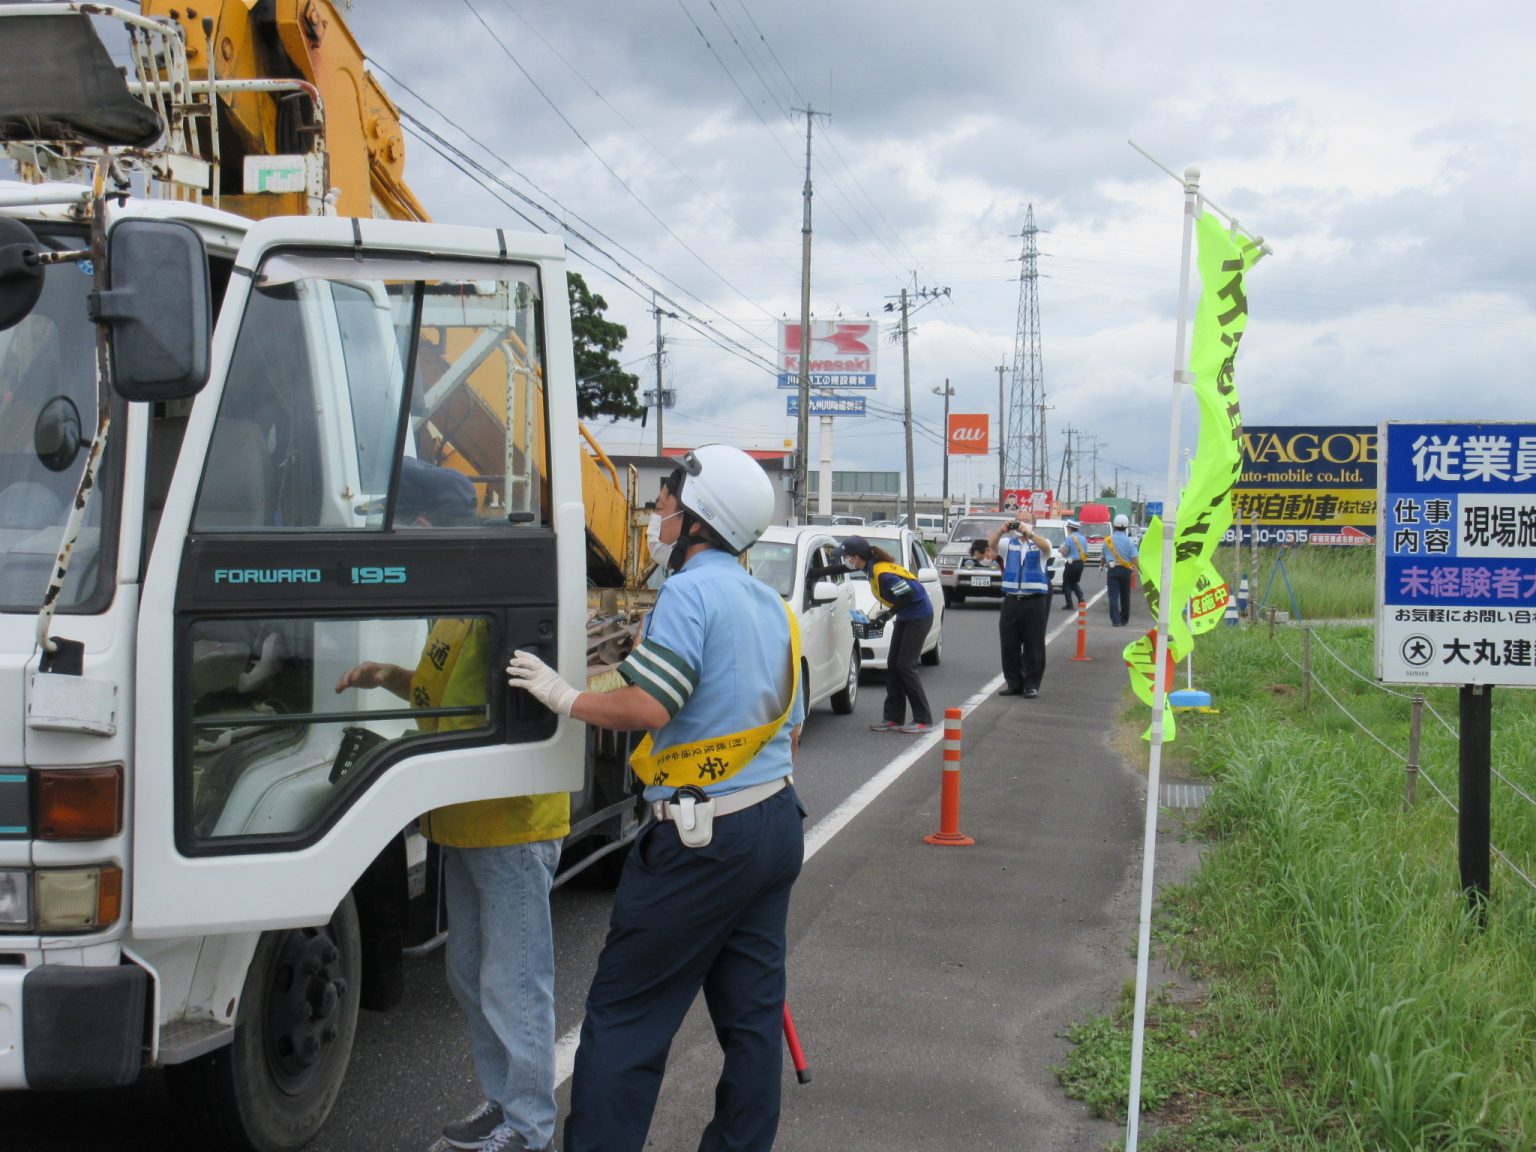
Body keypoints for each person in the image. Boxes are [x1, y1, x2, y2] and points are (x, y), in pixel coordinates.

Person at [505, 444, 805, 1152]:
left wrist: (564, 695)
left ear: (701, 519)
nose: (660, 508)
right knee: (752, 1022)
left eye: (670, 497)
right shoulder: (770, 603)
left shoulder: (688, 593)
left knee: (627, 1020)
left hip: (701, 842)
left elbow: (648, 706)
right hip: (773, 823)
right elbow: (784, 725)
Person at [337, 457, 569, 1152]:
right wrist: (388, 676)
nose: (400, 534)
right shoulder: (454, 600)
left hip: (509, 821)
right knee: (469, 972)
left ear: (428, 524)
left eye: (403, 521)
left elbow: (526, 698)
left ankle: (528, 1128)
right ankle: (502, 1105)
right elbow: (448, 695)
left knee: (514, 980)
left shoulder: (498, 599)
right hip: (462, 818)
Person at [834, 534, 935, 734]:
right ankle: (893, 718)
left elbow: (908, 596)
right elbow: (838, 569)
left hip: (919, 615)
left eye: (846, 556)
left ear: (856, 557)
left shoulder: (882, 573)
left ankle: (924, 719)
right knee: (893, 665)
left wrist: (885, 616)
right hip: (907, 615)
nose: (845, 560)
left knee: (906, 666)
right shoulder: (870, 567)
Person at [990, 513, 1054, 698]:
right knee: (1009, 644)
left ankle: (1032, 684)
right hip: (1011, 600)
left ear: (1034, 524)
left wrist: (1029, 533)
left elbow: (1047, 548)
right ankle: (1014, 683)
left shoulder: (1040, 543)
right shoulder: (1009, 543)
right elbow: (992, 546)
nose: (1021, 523)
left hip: (1034, 601)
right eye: (1019, 520)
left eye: (1026, 520)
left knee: (1034, 645)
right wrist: (1001, 531)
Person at [1102, 512, 1141, 628]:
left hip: (1113, 569)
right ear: (1126, 527)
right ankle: (1124, 619)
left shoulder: (1107, 540)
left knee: (1113, 596)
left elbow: (1103, 557)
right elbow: (1135, 557)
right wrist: (1137, 569)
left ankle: (1116, 620)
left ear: (1114, 526)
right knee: (1125, 595)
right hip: (1126, 571)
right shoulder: (1130, 541)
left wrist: (1102, 565)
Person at [1059, 518, 1088, 610]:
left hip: (1071, 563)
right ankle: (1080, 597)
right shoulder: (1083, 539)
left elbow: (1065, 552)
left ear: (1070, 529)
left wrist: (1061, 551)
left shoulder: (1069, 538)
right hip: (1080, 563)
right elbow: (1085, 551)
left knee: (1066, 584)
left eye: (1068, 528)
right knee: (1074, 582)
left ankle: (1069, 604)